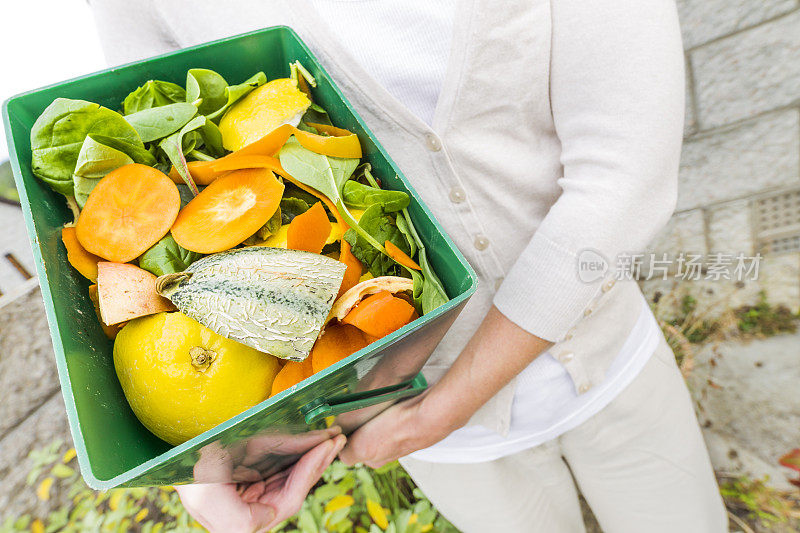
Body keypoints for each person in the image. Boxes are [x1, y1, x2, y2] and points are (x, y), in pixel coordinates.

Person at [90, 0, 728, 531]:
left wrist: (446, 407)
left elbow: (627, 181)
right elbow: (145, 196)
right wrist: (203, 462)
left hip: (603, 357)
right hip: (409, 418)